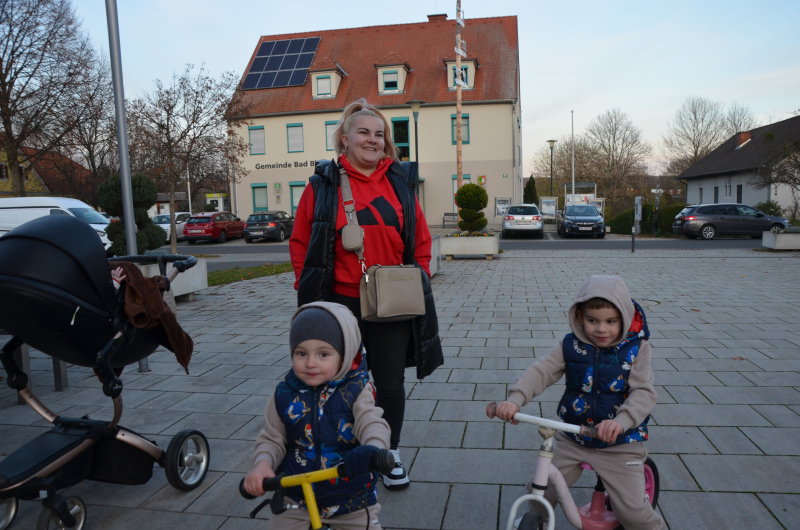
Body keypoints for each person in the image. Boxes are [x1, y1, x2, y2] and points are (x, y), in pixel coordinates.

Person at [289, 98, 443, 489]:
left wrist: (418, 278)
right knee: (337, 380)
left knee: (389, 383)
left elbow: (422, 239)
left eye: (379, 134)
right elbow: (301, 241)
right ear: (345, 139)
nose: (372, 140)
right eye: (363, 132)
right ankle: (340, 450)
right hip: (338, 301)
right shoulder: (322, 185)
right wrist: (308, 292)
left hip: (392, 300)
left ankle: (387, 452)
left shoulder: (399, 183)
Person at [494, 275, 666, 529]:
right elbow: (542, 371)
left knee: (632, 514)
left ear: (624, 319)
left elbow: (644, 392)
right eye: (592, 320)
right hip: (575, 437)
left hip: (620, 442)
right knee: (542, 489)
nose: (601, 329)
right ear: (580, 317)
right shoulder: (570, 345)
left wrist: (621, 421)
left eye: (611, 321)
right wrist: (515, 399)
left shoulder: (636, 349)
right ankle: (536, 518)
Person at [244, 302, 391, 529]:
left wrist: (372, 449)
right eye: (301, 353)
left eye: (323, 354)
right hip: (296, 497)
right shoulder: (283, 394)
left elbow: (372, 423)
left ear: (344, 355)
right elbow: (272, 438)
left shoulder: (357, 390)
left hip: (351, 498)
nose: (310, 363)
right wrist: (263, 463)